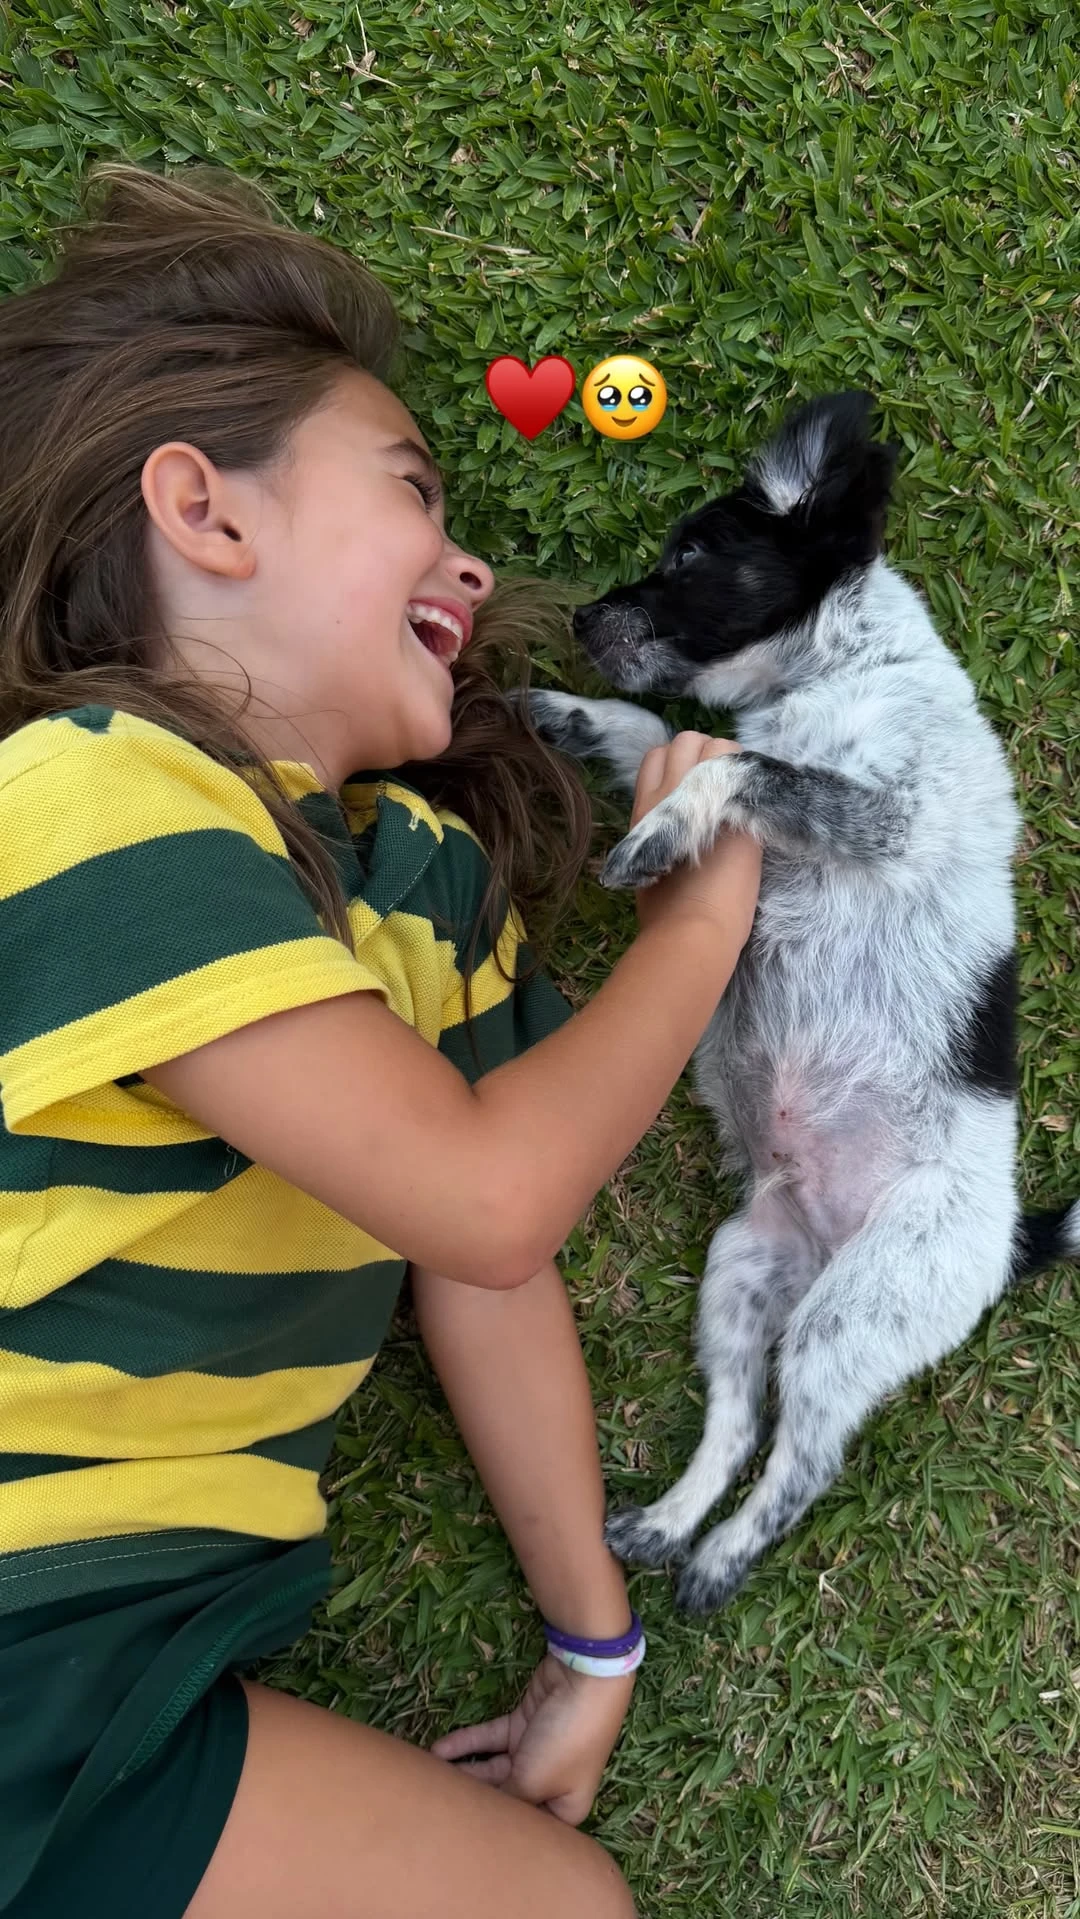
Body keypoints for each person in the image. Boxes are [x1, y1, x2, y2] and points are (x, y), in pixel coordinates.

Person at [0, 164, 762, 1919]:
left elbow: (487, 1262)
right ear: (204, 512)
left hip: (128, 1656)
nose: (471, 562)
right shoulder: (95, 793)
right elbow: (486, 1197)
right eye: (414, 488)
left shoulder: (417, 892)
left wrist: (593, 1633)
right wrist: (699, 921)